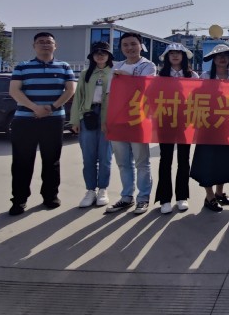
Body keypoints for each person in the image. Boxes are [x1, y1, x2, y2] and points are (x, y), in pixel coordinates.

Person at [8, 32, 76, 216]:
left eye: (49, 42)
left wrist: (52, 107)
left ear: (55, 46)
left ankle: (50, 196)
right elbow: (14, 90)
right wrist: (34, 108)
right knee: (22, 161)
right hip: (25, 119)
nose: (45, 44)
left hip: (54, 119)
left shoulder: (64, 66)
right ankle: (19, 200)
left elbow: (70, 90)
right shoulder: (22, 66)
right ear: (34, 46)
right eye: (41, 42)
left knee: (51, 160)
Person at [105, 32, 156, 215]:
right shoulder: (116, 66)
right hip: (118, 120)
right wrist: (107, 119)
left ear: (141, 46)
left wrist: (125, 76)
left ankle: (143, 198)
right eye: (125, 45)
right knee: (123, 162)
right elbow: (110, 94)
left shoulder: (148, 65)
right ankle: (127, 196)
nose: (129, 48)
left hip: (138, 120)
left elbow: (145, 87)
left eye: (133, 44)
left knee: (142, 162)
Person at [190, 43, 229, 212]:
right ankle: (209, 196)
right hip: (207, 125)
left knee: (224, 160)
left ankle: (220, 192)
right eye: (218, 56)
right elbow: (196, 98)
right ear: (213, 59)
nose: (222, 58)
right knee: (207, 160)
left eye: (225, 55)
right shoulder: (205, 76)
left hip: (227, 126)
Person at [154, 43, 199, 214]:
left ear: (183, 56)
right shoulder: (160, 76)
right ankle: (165, 199)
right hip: (165, 121)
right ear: (167, 57)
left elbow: (198, 96)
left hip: (185, 121)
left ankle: (182, 196)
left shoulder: (192, 75)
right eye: (171, 53)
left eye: (178, 53)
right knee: (165, 160)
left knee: (184, 159)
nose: (175, 56)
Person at [70, 41, 114, 208]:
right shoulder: (85, 73)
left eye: (104, 53)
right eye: (97, 53)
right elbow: (78, 97)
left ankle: (103, 189)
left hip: (107, 116)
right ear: (92, 56)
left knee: (105, 156)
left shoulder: (115, 72)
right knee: (88, 156)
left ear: (109, 56)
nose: (100, 56)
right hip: (88, 114)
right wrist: (75, 120)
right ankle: (90, 190)